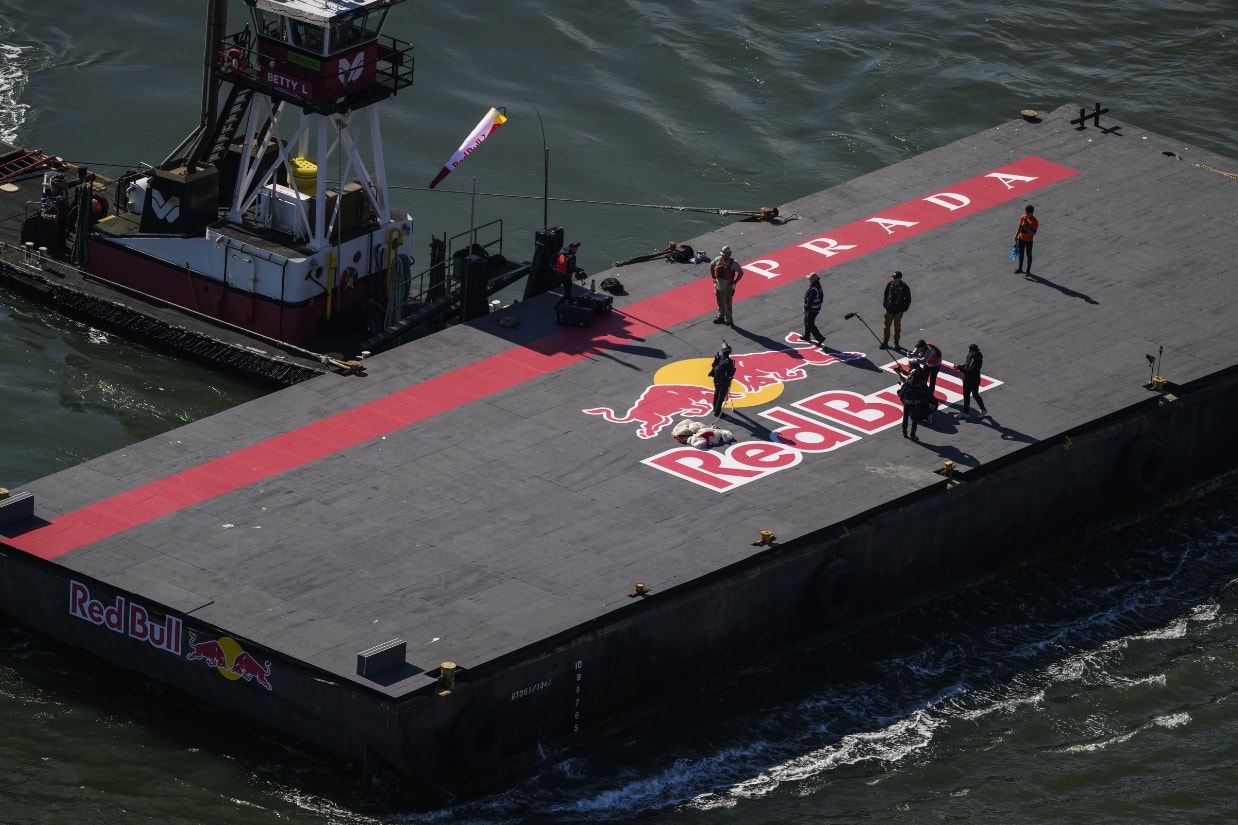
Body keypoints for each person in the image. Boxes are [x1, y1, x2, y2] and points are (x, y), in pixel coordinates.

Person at [710, 245, 743, 326]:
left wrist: (735, 281)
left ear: (729, 254)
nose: (724, 256)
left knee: (728, 304)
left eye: (725, 254)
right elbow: (711, 265)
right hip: (718, 286)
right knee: (720, 302)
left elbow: (741, 272)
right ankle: (720, 317)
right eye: (723, 254)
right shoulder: (718, 259)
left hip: (727, 288)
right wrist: (713, 277)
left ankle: (729, 321)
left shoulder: (733, 263)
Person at [953, 343, 988, 418]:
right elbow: (966, 365)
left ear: (974, 351)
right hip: (967, 379)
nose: (968, 352)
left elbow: (971, 371)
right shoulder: (969, 355)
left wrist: (959, 368)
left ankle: (983, 409)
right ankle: (965, 413)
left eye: (970, 351)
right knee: (966, 395)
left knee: (975, 395)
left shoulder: (978, 360)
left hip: (974, 381)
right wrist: (959, 366)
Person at [897, 368, 931, 441]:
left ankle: (904, 432)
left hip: (907, 403)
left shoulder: (907, 383)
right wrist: (928, 403)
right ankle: (913, 435)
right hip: (917, 403)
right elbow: (927, 394)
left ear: (912, 375)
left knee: (905, 418)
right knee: (914, 420)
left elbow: (900, 393)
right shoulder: (922, 384)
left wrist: (903, 399)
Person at [880, 271, 911, 350]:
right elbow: (885, 295)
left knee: (897, 328)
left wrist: (902, 310)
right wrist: (886, 306)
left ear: (900, 278)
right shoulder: (890, 284)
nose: (894, 279)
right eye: (894, 278)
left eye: (896, 278)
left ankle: (896, 343)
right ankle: (885, 342)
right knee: (886, 327)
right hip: (889, 310)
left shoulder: (905, 287)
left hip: (898, 312)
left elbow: (908, 300)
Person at [708, 342, 736, 418]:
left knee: (716, 393)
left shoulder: (719, 357)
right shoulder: (729, 361)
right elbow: (730, 373)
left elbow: (713, 365)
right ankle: (718, 411)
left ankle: (714, 408)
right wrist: (733, 371)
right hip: (723, 381)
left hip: (716, 379)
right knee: (721, 396)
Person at [555, 241, 582, 307]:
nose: (577, 249)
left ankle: (570, 300)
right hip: (566, 276)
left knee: (567, 288)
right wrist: (578, 270)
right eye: (575, 248)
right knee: (568, 291)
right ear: (571, 248)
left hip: (558, 274)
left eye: (577, 248)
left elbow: (553, 259)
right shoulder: (572, 257)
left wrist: (555, 267)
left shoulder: (562, 251)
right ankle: (558, 305)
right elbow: (572, 268)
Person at [803, 272, 826, 346]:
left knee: (810, 324)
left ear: (813, 280)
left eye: (810, 279)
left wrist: (806, 309)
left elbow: (810, 301)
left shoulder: (813, 289)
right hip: (815, 307)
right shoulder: (818, 286)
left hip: (812, 309)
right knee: (806, 321)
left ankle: (820, 338)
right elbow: (822, 296)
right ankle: (807, 336)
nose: (809, 280)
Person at [1014, 204, 1038, 275]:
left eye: (1027, 212)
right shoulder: (1023, 217)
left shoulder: (1034, 221)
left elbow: (1033, 233)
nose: (1026, 213)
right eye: (1026, 212)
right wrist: (1016, 235)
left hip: (1029, 240)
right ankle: (1020, 268)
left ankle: (1028, 271)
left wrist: (1026, 228)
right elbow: (1020, 226)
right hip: (1021, 238)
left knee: (1028, 254)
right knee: (1021, 254)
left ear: (1031, 213)